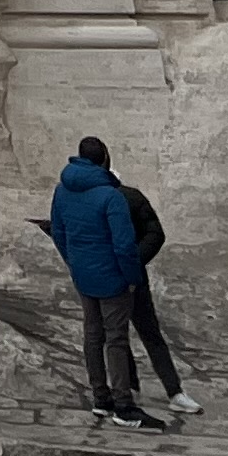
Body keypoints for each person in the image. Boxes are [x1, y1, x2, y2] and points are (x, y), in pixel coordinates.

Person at [49, 134, 187, 427]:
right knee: (116, 339)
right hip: (113, 278)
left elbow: (59, 234)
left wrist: (74, 263)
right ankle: (124, 405)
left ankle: (101, 400)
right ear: (104, 160)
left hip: (84, 276)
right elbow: (124, 246)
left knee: (92, 336)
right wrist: (132, 278)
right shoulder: (111, 196)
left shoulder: (62, 191)